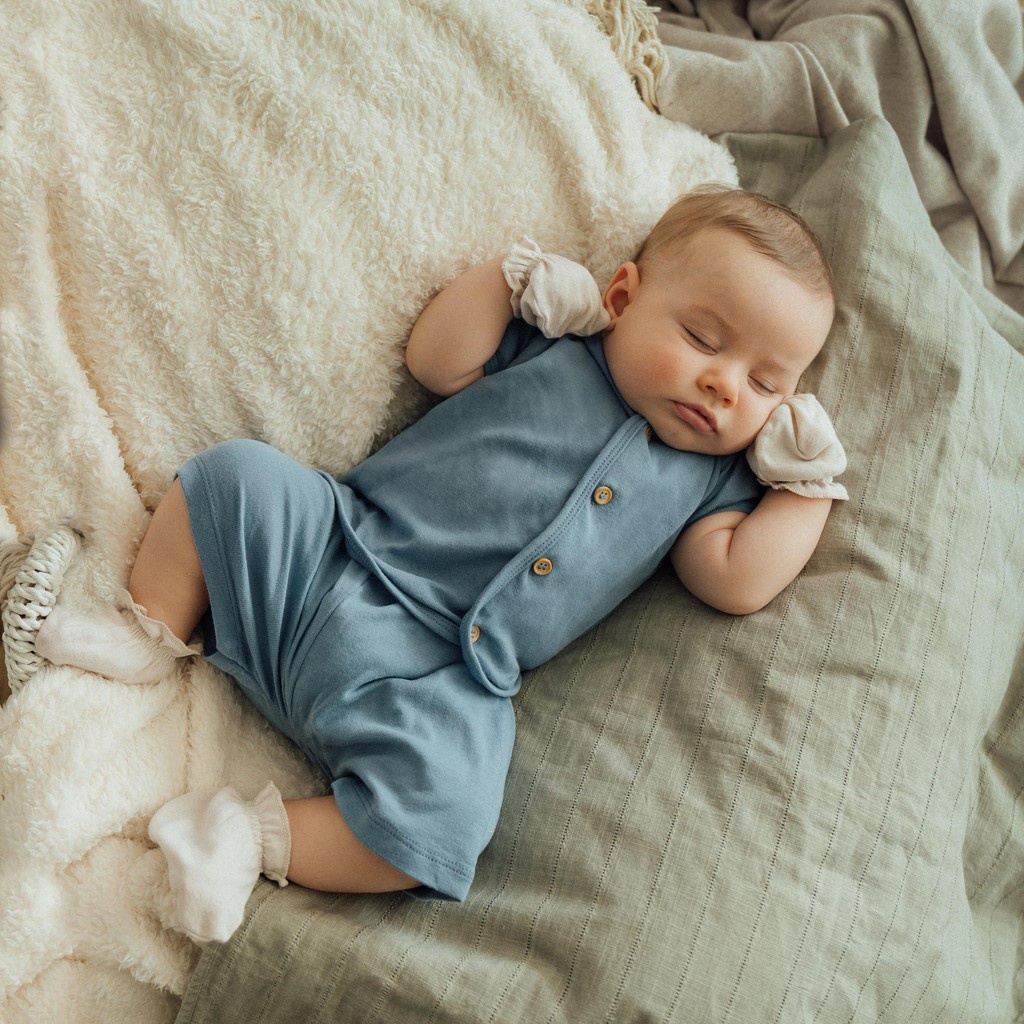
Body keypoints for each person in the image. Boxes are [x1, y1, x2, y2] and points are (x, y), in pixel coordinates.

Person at [29, 184, 848, 943]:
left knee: (448, 820)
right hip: (336, 548)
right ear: (625, 299)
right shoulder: (560, 348)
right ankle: (151, 629)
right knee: (233, 479)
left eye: (766, 384)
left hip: (441, 676)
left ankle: (245, 836)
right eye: (703, 339)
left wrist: (806, 487)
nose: (724, 385)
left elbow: (735, 579)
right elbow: (437, 359)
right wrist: (511, 283)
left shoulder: (709, 482)